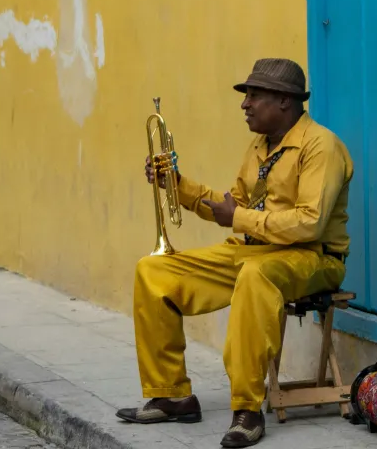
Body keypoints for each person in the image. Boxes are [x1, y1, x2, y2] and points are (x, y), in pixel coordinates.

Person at [117, 58, 354, 448]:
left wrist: (240, 217)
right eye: (247, 96)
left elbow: (309, 222)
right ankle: (172, 393)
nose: (245, 104)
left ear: (284, 101)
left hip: (313, 257)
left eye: (254, 96)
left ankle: (247, 407)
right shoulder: (261, 145)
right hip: (253, 251)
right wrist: (176, 185)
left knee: (254, 278)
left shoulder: (321, 147)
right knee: (153, 271)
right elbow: (233, 205)